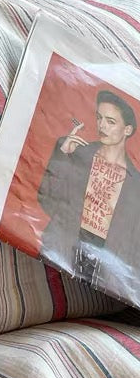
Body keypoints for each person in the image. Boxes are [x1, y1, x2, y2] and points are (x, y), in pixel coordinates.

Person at [37, 89, 140, 301]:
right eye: (99, 118)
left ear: (127, 129)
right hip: (60, 251)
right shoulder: (77, 153)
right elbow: (46, 199)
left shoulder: (136, 183)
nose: (102, 126)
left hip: (108, 274)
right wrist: (63, 156)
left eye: (111, 121)